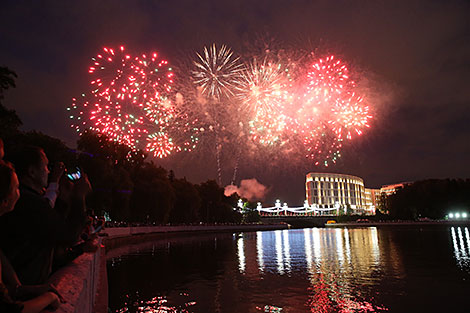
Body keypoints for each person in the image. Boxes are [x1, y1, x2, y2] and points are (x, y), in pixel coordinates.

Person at [0, 146, 87, 285]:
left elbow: (51, 239)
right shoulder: (29, 202)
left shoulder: (32, 200)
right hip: (25, 290)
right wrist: (79, 197)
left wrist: (63, 200)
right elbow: (68, 235)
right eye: (46, 166)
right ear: (32, 172)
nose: (49, 171)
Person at [0, 161, 62, 313]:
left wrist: (25, 290)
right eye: (16, 187)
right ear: (5, 200)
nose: (19, 192)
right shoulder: (29, 205)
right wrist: (50, 298)